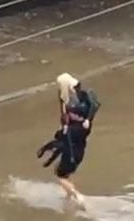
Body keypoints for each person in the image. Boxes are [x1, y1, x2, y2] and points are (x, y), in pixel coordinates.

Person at [37, 73, 100, 204]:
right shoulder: (84, 125)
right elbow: (93, 104)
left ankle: (76, 195)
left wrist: (45, 151)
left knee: (60, 175)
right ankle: (69, 196)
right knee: (66, 173)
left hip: (71, 150)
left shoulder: (71, 127)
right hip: (79, 151)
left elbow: (59, 139)